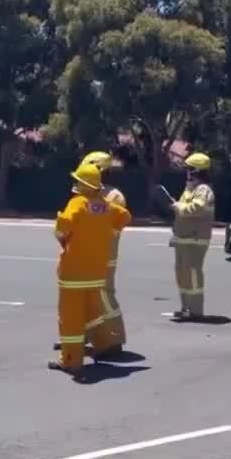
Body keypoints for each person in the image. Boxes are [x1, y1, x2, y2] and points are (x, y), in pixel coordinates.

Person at [51, 163, 131, 375]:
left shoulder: (77, 203)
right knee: (94, 313)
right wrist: (106, 231)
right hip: (96, 273)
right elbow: (124, 217)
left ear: (83, 184)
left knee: (71, 319)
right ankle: (103, 345)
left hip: (73, 274)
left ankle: (70, 360)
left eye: (78, 180)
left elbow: (63, 226)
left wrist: (63, 239)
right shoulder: (105, 205)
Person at [82, 151, 128, 354]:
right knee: (83, 296)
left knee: (104, 296)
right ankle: (82, 338)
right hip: (82, 254)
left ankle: (114, 340)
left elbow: (110, 226)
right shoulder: (85, 192)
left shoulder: (114, 196)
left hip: (103, 256)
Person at [170, 152, 215, 320]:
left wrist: (178, 207)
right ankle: (185, 307)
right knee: (181, 273)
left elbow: (197, 208)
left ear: (196, 170)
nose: (186, 172)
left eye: (188, 169)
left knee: (193, 274)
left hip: (195, 240)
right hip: (183, 239)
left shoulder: (203, 190)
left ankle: (196, 311)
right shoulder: (190, 188)